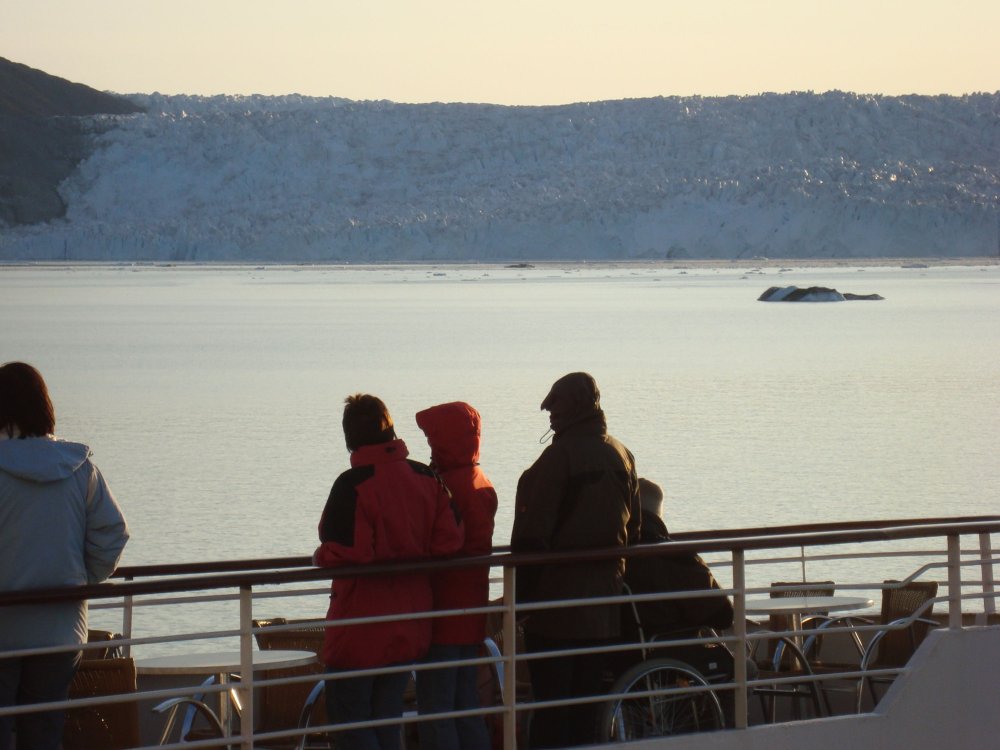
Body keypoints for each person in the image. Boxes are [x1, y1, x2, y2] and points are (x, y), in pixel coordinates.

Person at [313, 393, 464, 750]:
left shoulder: (352, 484)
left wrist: (321, 555)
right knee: (386, 718)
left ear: (350, 438)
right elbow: (449, 541)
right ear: (391, 431)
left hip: (359, 626)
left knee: (350, 723)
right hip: (409, 623)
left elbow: (348, 550)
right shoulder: (427, 478)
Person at [0, 362, 129, 750]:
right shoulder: (79, 468)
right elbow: (112, 534)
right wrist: (81, 579)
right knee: (44, 732)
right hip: (60, 627)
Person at [509, 372, 640, 748]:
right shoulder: (622, 454)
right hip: (603, 607)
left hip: (556, 610)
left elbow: (532, 537)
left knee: (552, 709)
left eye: (556, 406)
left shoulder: (557, 459)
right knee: (587, 709)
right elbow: (635, 530)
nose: (549, 414)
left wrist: (522, 604)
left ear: (577, 406)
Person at [414, 402, 498, 750]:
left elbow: (436, 543)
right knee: (466, 705)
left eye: (434, 440)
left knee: (436, 711)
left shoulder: (445, 486)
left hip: (443, 611)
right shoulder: (480, 480)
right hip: (470, 610)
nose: (430, 447)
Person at [618, 478, 735, 685]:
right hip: (675, 661)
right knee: (746, 670)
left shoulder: (615, 556)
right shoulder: (678, 558)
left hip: (622, 660)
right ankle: (723, 717)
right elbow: (724, 615)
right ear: (659, 513)